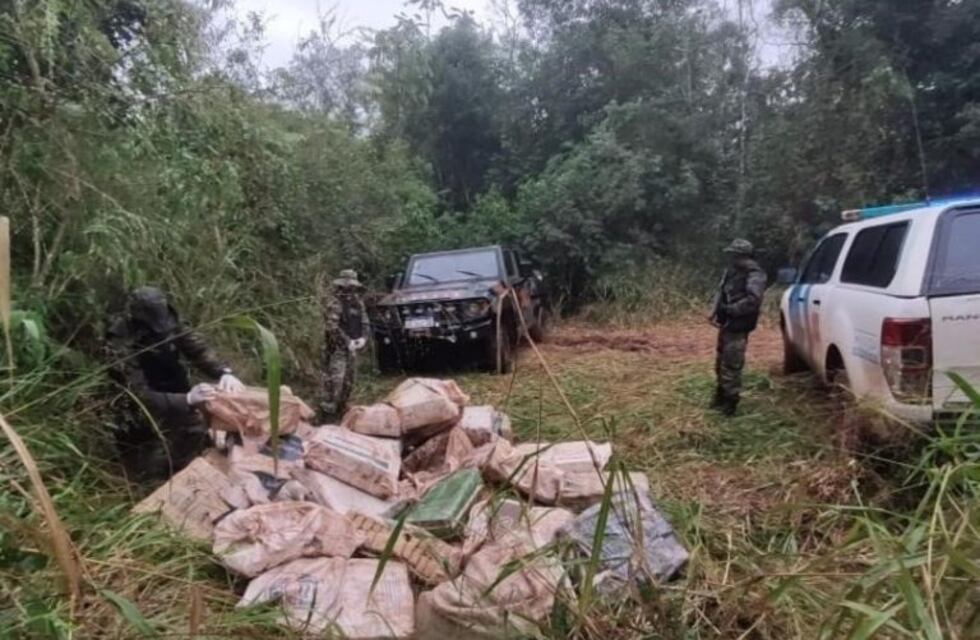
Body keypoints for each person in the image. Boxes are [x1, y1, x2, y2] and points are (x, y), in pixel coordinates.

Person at [105, 286, 245, 479]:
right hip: (137, 405)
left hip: (171, 382)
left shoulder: (170, 321)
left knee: (198, 427)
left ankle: (182, 464)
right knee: (143, 459)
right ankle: (162, 476)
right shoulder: (120, 341)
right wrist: (186, 399)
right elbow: (136, 393)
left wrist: (223, 372)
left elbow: (196, 348)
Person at [709, 239, 767, 417]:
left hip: (738, 324)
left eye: (734, 254)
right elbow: (721, 291)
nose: (731, 258)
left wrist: (732, 310)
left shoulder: (754, 274)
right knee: (720, 361)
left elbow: (753, 300)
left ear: (741, 255)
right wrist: (714, 311)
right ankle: (721, 395)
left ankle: (730, 402)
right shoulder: (732, 271)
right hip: (727, 322)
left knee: (732, 364)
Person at [319, 269, 369, 422]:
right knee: (336, 380)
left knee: (349, 381)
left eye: (352, 287)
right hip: (338, 349)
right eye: (347, 287)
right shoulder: (335, 302)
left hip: (354, 347)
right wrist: (347, 342)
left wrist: (363, 338)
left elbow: (365, 322)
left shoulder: (357, 303)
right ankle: (328, 414)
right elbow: (332, 327)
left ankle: (343, 411)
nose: (350, 290)